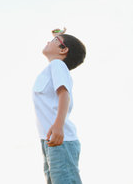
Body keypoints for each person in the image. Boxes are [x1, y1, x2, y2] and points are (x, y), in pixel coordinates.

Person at [32, 28, 86, 184]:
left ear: (64, 50)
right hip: (48, 140)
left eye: (54, 41)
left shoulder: (57, 65)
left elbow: (64, 94)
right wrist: (58, 37)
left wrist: (58, 126)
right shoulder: (53, 67)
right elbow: (60, 45)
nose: (48, 42)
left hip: (61, 139)